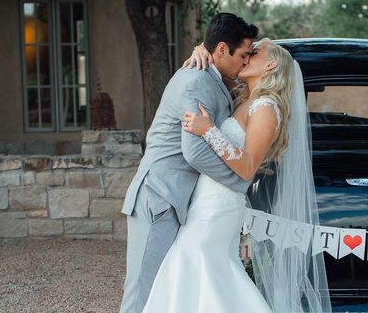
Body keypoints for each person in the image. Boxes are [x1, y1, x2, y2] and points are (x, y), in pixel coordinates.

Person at [141, 39, 331, 313]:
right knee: (207, 275)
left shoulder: (267, 107)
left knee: (193, 264)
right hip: (206, 199)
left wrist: (207, 130)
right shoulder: (245, 98)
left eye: (253, 53)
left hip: (219, 205)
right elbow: (220, 57)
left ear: (271, 64)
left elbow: (247, 167)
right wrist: (200, 50)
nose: (245, 58)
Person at [119, 13, 258, 313]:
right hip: (158, 197)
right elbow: (195, 151)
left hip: (177, 201)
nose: (245, 63)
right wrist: (239, 180)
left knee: (165, 294)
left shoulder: (213, 77)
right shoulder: (197, 81)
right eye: (243, 55)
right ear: (222, 50)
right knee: (143, 292)